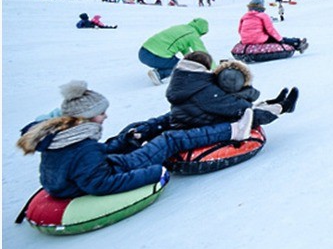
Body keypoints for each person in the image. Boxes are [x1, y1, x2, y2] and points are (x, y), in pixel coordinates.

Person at [16, 80, 253, 199]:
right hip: (97, 178)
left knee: (133, 129)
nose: (105, 115)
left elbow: (93, 155)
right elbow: (100, 183)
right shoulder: (82, 147)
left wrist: (125, 140)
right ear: (84, 118)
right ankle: (233, 131)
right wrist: (153, 173)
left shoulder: (63, 134)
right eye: (100, 113)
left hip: (78, 175)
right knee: (170, 139)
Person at [165, 52, 298, 130]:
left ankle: (272, 103)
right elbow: (238, 108)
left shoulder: (184, 81)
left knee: (239, 107)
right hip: (202, 126)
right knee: (248, 114)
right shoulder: (204, 90)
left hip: (194, 120)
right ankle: (283, 107)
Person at [139, 18, 212, 85]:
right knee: (184, 67)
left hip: (143, 52)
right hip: (155, 57)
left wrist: (190, 61)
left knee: (181, 62)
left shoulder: (182, 28)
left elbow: (185, 49)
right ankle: (159, 74)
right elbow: (202, 54)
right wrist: (213, 70)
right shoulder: (193, 35)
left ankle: (160, 68)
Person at [238, 0, 308, 53]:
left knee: (270, 37)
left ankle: (298, 42)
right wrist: (279, 39)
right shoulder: (263, 15)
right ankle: (298, 43)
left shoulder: (245, 16)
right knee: (281, 39)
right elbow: (270, 30)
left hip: (245, 40)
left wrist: (246, 38)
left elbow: (239, 30)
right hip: (259, 39)